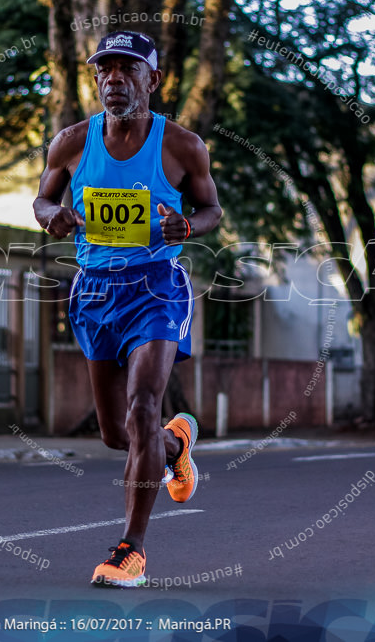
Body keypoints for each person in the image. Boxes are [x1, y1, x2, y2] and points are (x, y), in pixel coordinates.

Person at [33, 31, 222, 587]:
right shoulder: (70, 143)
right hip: (95, 290)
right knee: (118, 434)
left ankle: (130, 551)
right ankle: (175, 443)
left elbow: (211, 210)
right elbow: (42, 197)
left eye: (127, 68)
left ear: (152, 80)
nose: (113, 78)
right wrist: (52, 216)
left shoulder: (182, 146)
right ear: (96, 80)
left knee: (143, 404)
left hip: (156, 285)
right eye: (105, 69)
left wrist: (185, 225)